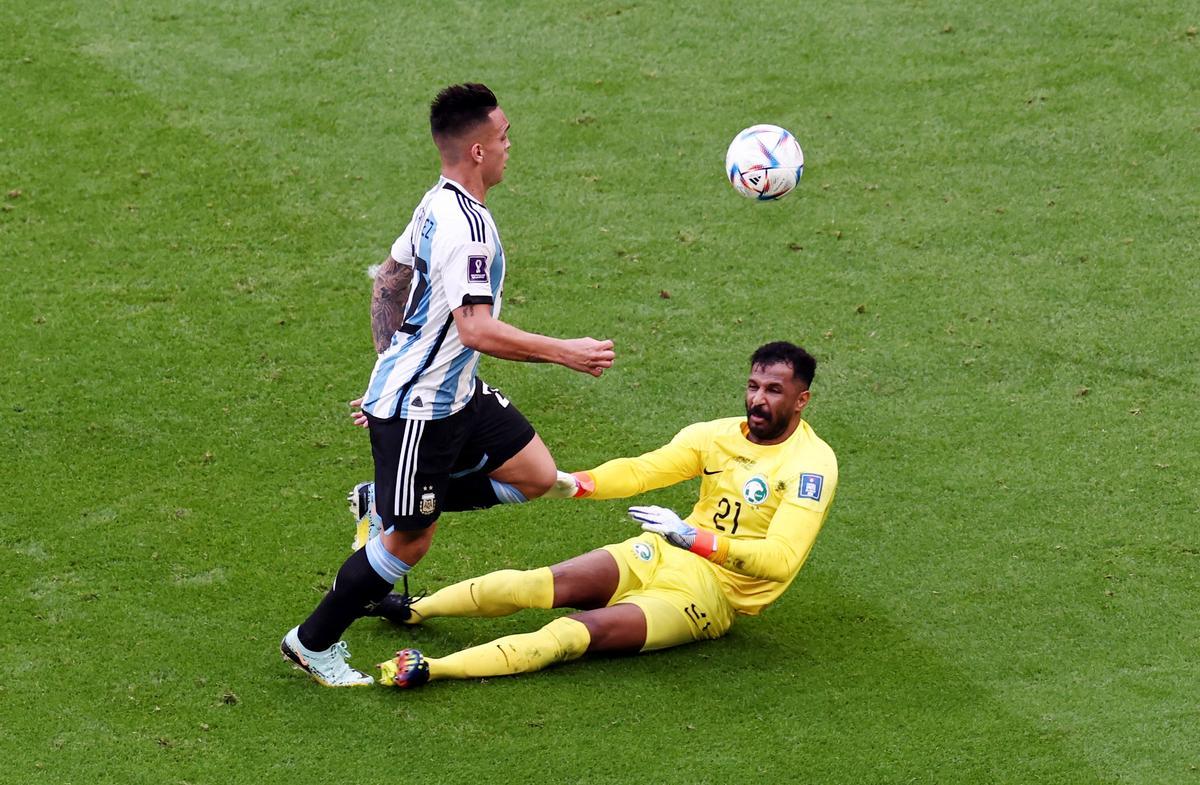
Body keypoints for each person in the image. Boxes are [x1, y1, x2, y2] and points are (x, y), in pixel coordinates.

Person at [281, 83, 615, 687]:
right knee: (411, 541)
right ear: (480, 151)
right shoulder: (467, 230)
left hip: (453, 393)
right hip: (423, 411)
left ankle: (387, 498)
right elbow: (477, 329)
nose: (512, 145)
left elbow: (390, 278)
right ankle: (313, 642)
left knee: (537, 475)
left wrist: (390, 362)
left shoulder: (436, 202)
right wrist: (566, 352)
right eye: (505, 135)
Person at [366, 341, 838, 688]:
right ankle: (414, 610)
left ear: (801, 400)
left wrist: (692, 537)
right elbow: (643, 470)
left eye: (774, 390)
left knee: (569, 636)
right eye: (753, 386)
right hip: (661, 552)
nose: (758, 400)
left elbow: (779, 561)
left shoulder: (811, 466)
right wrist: (580, 484)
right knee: (533, 584)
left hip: (710, 594)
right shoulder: (716, 435)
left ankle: (431, 668)